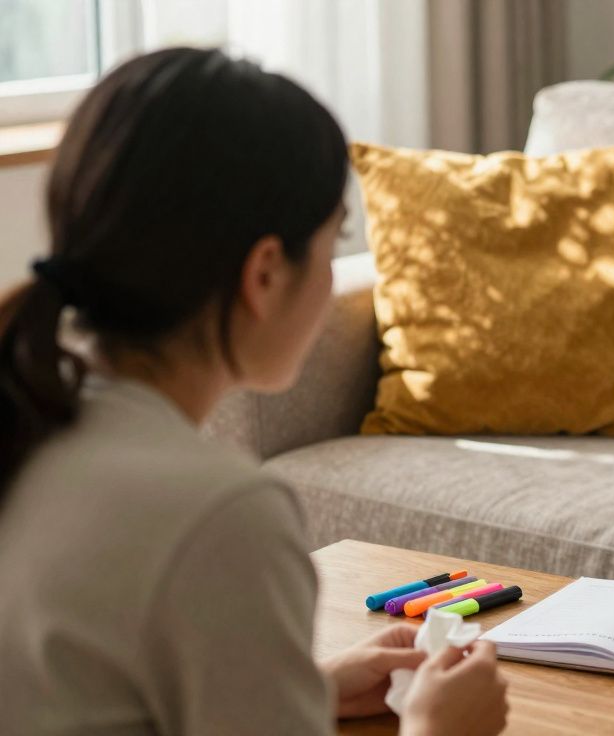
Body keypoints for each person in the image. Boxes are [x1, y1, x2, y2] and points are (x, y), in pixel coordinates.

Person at [0, 48, 507, 734]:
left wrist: (297, 690)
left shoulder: (31, 409)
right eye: (334, 244)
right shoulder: (218, 512)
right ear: (265, 273)